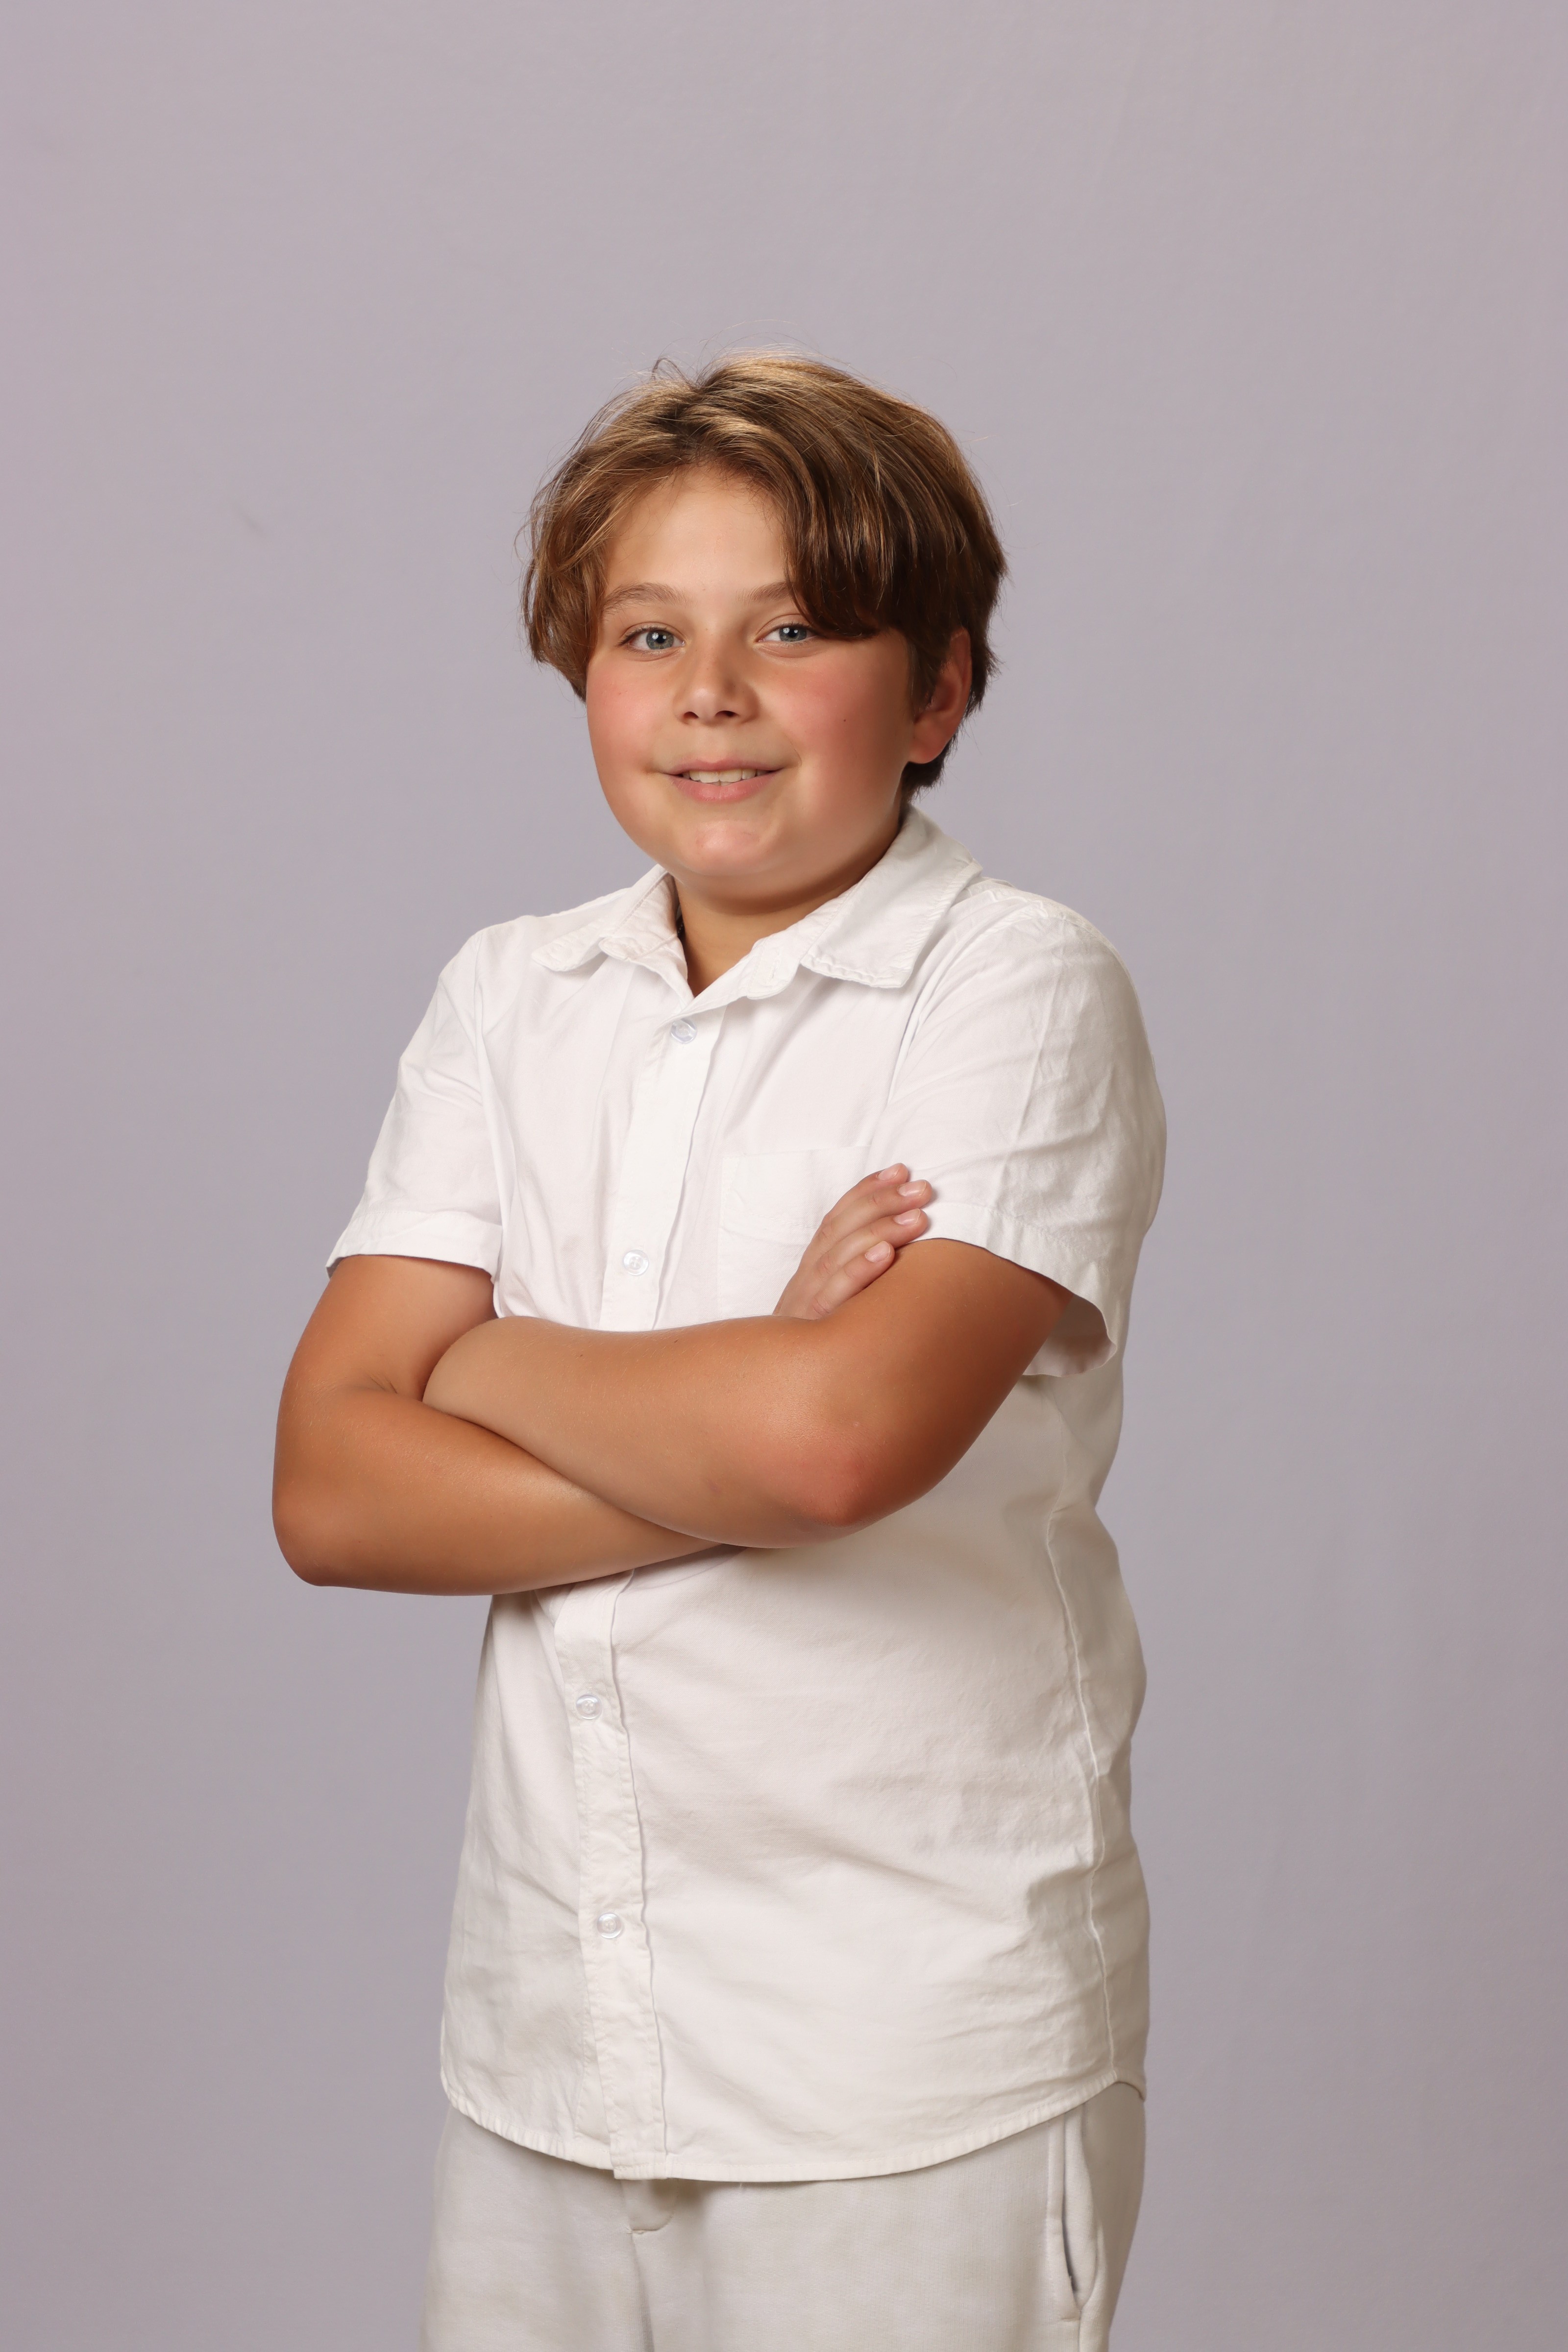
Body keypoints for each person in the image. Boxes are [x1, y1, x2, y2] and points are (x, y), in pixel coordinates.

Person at [273, 353, 1166, 2351]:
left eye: (794, 630)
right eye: (650, 634)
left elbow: (832, 1451)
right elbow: (329, 1490)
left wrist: (486, 1357)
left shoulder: (1015, 989)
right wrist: (742, 1375)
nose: (711, 694)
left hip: (900, 2064)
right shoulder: (512, 997)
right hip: (552, 2043)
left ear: (934, 693)